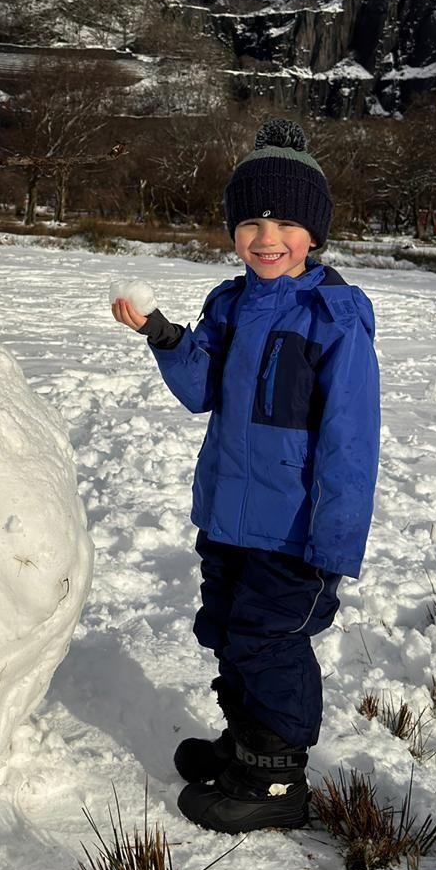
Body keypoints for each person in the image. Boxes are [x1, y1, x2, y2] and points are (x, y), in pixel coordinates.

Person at [111, 118, 380, 834]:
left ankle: (275, 780)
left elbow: (351, 442)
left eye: (286, 220)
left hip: (293, 533)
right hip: (227, 518)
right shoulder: (229, 304)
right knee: (229, 632)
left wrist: (334, 545)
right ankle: (244, 747)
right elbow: (202, 389)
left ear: (314, 233)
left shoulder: (334, 319)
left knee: (269, 643)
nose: (267, 236)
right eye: (252, 219)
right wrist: (165, 336)